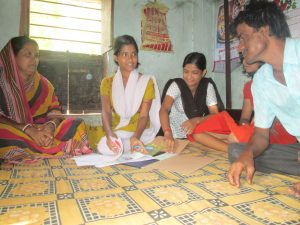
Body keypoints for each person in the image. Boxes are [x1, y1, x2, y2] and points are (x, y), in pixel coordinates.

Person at [227, 1, 300, 198]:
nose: (240, 47)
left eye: (243, 37)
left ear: (264, 29)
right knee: (237, 152)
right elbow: (261, 135)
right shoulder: (261, 81)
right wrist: (247, 155)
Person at [0, 36, 92, 163]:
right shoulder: (2, 82)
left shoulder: (44, 84)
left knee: (75, 123)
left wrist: (50, 127)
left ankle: (38, 150)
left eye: (36, 55)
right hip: (17, 133)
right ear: (12, 57)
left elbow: (55, 111)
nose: (34, 60)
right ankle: (56, 150)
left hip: (44, 134)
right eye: (28, 54)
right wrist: (28, 129)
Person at [188, 59, 297, 152]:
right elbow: (244, 118)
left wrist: (245, 132)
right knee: (197, 132)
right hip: (253, 130)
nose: (244, 62)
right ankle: (233, 149)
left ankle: (237, 145)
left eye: (249, 58)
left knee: (234, 137)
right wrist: (244, 126)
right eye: (243, 58)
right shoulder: (249, 86)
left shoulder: (277, 83)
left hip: (274, 133)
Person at [96, 35, 160, 154]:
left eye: (134, 54)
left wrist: (135, 137)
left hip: (141, 133)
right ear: (116, 57)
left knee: (135, 146)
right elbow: (106, 112)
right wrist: (110, 135)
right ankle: (126, 147)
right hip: (118, 132)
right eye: (125, 54)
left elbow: (144, 116)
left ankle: (132, 146)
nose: (130, 59)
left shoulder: (146, 82)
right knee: (103, 147)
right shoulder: (107, 83)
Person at [159, 52, 224, 152]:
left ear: (203, 73)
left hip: (197, 138)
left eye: (195, 73)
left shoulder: (207, 86)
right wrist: (167, 133)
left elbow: (215, 114)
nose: (189, 77)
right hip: (175, 138)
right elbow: (164, 109)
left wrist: (197, 120)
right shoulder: (177, 85)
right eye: (186, 71)